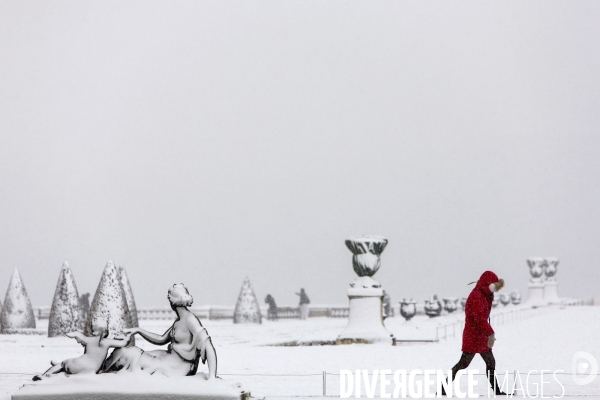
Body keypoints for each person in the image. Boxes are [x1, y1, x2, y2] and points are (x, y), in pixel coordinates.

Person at [103, 284, 217, 379]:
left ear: (173, 301)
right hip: (168, 358)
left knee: (130, 353)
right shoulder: (179, 321)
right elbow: (161, 339)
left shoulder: (190, 320)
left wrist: (212, 378)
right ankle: (102, 373)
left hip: (176, 368)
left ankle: (101, 374)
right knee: (130, 353)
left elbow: (208, 346)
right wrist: (138, 330)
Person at [440, 271, 507, 396]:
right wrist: (490, 333)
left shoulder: (485, 294)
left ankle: (497, 390)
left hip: (480, 334)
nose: (494, 291)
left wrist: (487, 333)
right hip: (473, 335)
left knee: (490, 362)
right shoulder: (477, 296)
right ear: (488, 284)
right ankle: (443, 387)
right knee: (463, 364)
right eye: (494, 287)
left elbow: (482, 318)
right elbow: (479, 318)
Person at [33, 318, 129, 380]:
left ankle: (46, 375)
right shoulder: (107, 342)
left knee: (64, 363)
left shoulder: (88, 340)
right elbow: (124, 343)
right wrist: (126, 337)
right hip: (92, 369)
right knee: (65, 366)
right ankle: (59, 369)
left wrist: (75, 334)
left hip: (77, 365)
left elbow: (77, 335)